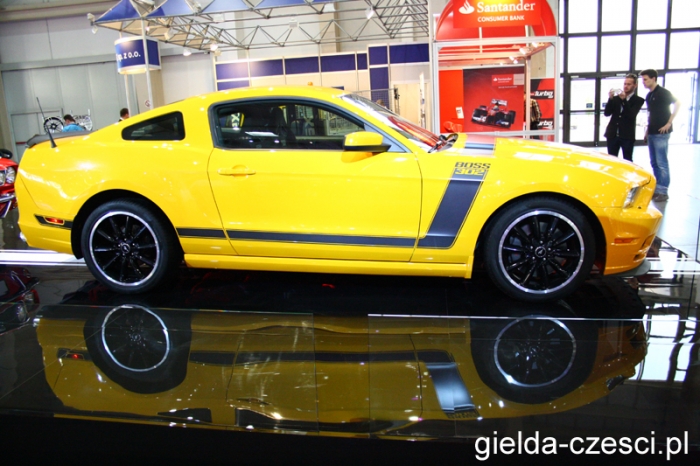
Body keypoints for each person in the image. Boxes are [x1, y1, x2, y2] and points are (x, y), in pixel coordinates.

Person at [640, 69, 681, 203]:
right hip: (652, 131)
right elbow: (650, 114)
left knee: (661, 162)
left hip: (661, 132)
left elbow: (678, 103)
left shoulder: (663, 92)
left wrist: (669, 122)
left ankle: (663, 191)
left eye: (645, 79)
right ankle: (658, 189)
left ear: (653, 79)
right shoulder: (649, 95)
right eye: (643, 80)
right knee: (654, 162)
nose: (643, 82)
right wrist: (647, 131)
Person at [603, 73, 645, 161]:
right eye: (625, 84)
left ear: (635, 85)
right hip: (612, 134)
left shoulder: (638, 100)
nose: (626, 86)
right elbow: (607, 113)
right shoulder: (616, 98)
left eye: (629, 84)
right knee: (612, 160)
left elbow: (631, 115)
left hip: (627, 135)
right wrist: (610, 99)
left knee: (628, 160)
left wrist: (624, 101)